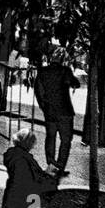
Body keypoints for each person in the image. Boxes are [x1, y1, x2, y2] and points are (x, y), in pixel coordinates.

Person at [1, 129, 57, 208]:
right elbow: (33, 181)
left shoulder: (11, 155)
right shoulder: (25, 160)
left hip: (13, 195)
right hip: (30, 199)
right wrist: (48, 176)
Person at [34, 46, 80, 176]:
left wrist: (44, 107)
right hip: (65, 111)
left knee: (51, 137)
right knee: (65, 140)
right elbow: (75, 84)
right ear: (63, 60)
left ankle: (51, 164)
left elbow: (38, 92)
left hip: (49, 112)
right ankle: (59, 166)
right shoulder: (65, 71)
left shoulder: (42, 72)